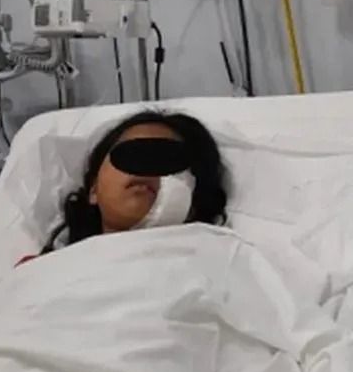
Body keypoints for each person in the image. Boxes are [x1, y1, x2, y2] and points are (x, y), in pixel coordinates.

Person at [19, 111, 228, 264]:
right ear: (94, 191)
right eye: (131, 154)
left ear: (193, 202)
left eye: (168, 159)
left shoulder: (220, 269)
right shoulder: (38, 271)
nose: (146, 169)